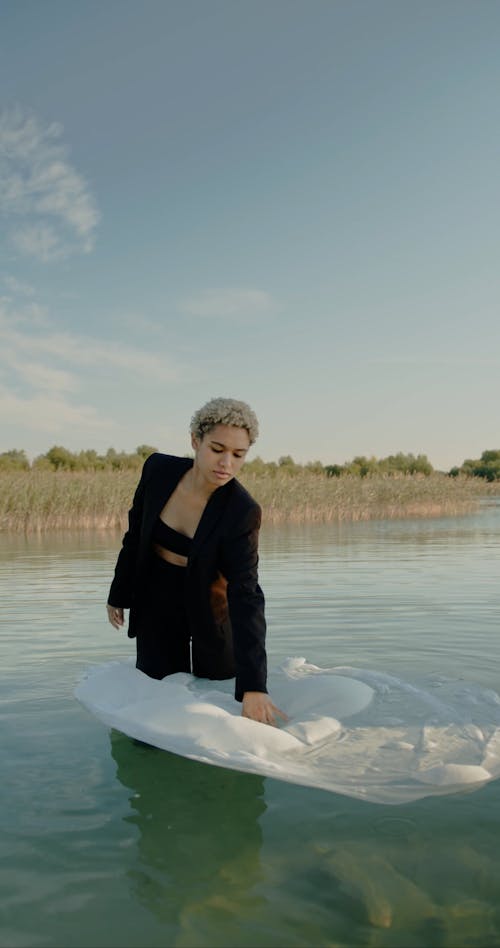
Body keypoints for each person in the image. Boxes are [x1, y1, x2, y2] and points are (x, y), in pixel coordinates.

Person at [106, 396, 286, 726]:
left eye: (238, 454)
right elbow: (135, 536)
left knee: (217, 699)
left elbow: (246, 594)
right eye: (217, 449)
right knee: (154, 702)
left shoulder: (242, 511)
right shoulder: (158, 470)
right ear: (195, 441)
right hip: (156, 599)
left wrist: (254, 687)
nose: (226, 463)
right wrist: (119, 592)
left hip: (211, 608)